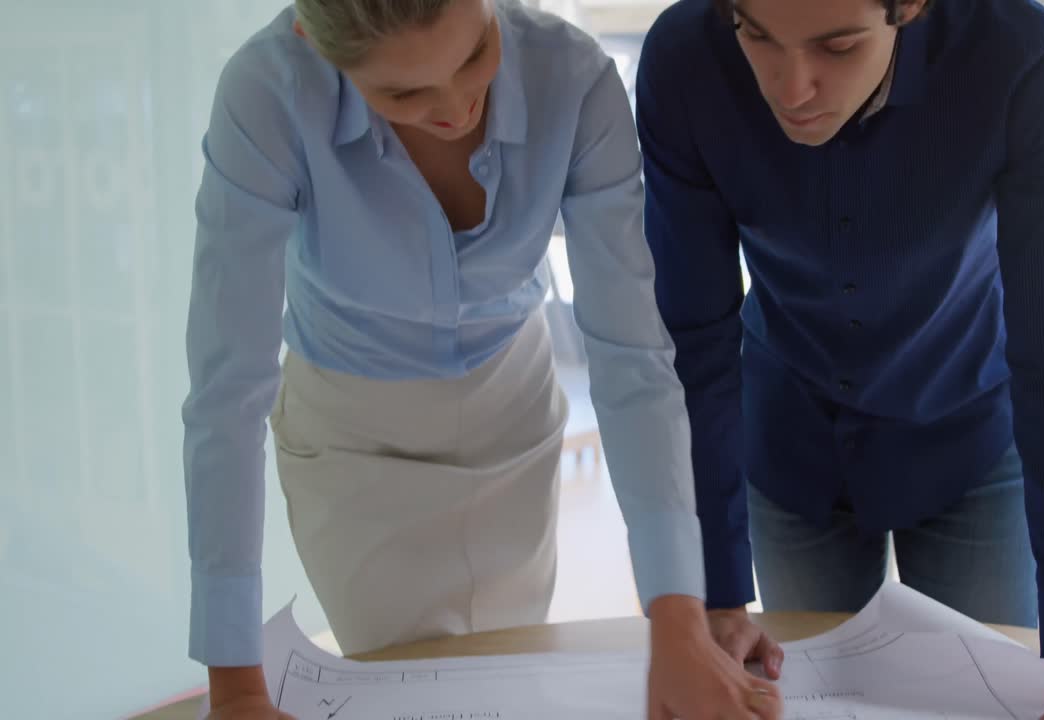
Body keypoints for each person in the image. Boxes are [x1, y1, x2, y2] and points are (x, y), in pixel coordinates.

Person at [182, 1, 781, 718]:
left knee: (508, 672)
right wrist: (236, 686)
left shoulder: (575, 78)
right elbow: (228, 390)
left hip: (512, 411)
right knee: (406, 682)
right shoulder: (266, 93)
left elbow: (632, 360)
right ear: (317, 44)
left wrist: (680, 624)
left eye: (474, 57)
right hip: (353, 435)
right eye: (403, 94)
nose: (458, 108)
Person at [637, 0, 1044, 718]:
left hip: (969, 437)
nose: (791, 86)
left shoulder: (1024, 58)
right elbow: (694, 346)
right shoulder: (685, 59)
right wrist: (715, 592)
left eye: (837, 48)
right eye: (757, 36)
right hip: (788, 443)